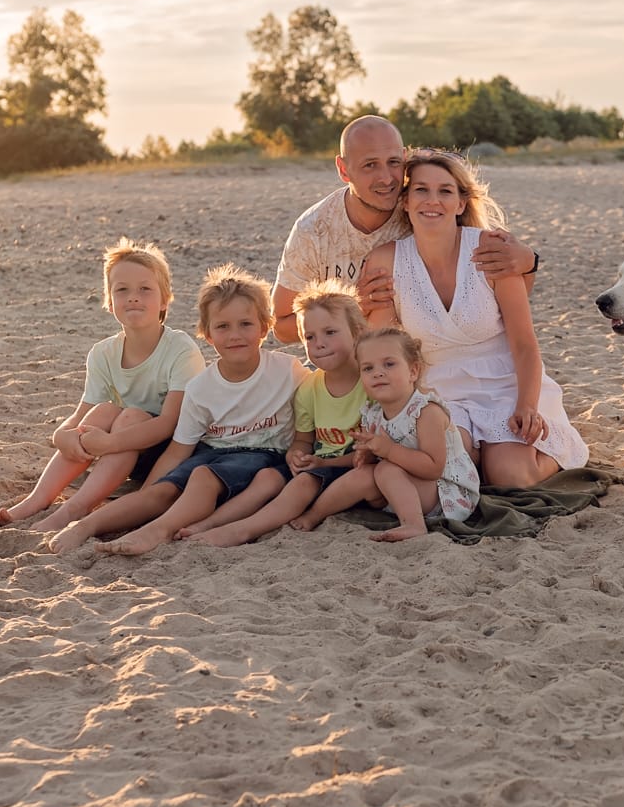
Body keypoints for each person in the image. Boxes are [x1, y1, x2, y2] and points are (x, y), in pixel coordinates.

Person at [48, 265, 308, 555]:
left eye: (245, 324)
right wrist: (149, 489)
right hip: (210, 453)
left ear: (264, 327)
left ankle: (157, 530)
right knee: (162, 491)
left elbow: (319, 401)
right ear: (207, 334)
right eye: (223, 326)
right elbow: (178, 450)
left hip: (264, 457)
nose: (235, 335)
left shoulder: (288, 371)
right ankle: (87, 525)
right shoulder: (200, 388)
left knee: (203, 478)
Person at [365, 150, 588, 488]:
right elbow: (383, 348)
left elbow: (525, 343)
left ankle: (556, 451)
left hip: (505, 380)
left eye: (445, 191)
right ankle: (482, 451)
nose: (433, 201)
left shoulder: (491, 248)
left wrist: (527, 405)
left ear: (460, 203)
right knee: (453, 466)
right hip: (435, 386)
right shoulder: (385, 260)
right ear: (406, 202)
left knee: (509, 477)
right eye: (421, 190)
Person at [0, 237, 205, 532]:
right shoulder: (103, 352)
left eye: (145, 289)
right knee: (103, 411)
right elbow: (83, 412)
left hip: (169, 452)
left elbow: (169, 423)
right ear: (109, 300)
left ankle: (76, 507)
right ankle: (39, 499)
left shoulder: (180, 348)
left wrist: (111, 442)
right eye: (122, 290)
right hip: (121, 451)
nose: (134, 297)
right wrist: (61, 434)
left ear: (165, 299)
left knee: (130, 415)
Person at [271, 115, 538, 343]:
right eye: (370, 165)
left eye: (393, 163)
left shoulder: (423, 210)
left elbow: (489, 290)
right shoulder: (313, 230)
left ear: (403, 158)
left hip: (414, 361)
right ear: (343, 169)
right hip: (341, 363)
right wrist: (351, 307)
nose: (386, 178)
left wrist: (529, 261)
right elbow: (280, 326)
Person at [180, 281, 367, 547]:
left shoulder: (371, 382)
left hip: (360, 470)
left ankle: (271, 524)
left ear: (357, 331)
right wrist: (296, 454)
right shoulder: (309, 388)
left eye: (330, 332)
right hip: (321, 470)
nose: (319, 344)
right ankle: (219, 526)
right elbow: (303, 439)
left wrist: (324, 464)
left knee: (360, 475)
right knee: (300, 483)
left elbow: (372, 452)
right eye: (310, 337)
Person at [291, 327, 480, 542]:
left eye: (389, 364)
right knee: (365, 473)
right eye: (368, 368)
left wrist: (388, 450)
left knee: (385, 469)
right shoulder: (373, 414)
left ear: (413, 371)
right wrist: (352, 458)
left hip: (446, 495)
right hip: (401, 485)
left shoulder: (426, 412)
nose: (378, 373)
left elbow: (433, 468)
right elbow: (367, 460)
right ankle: (314, 515)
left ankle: (414, 525)